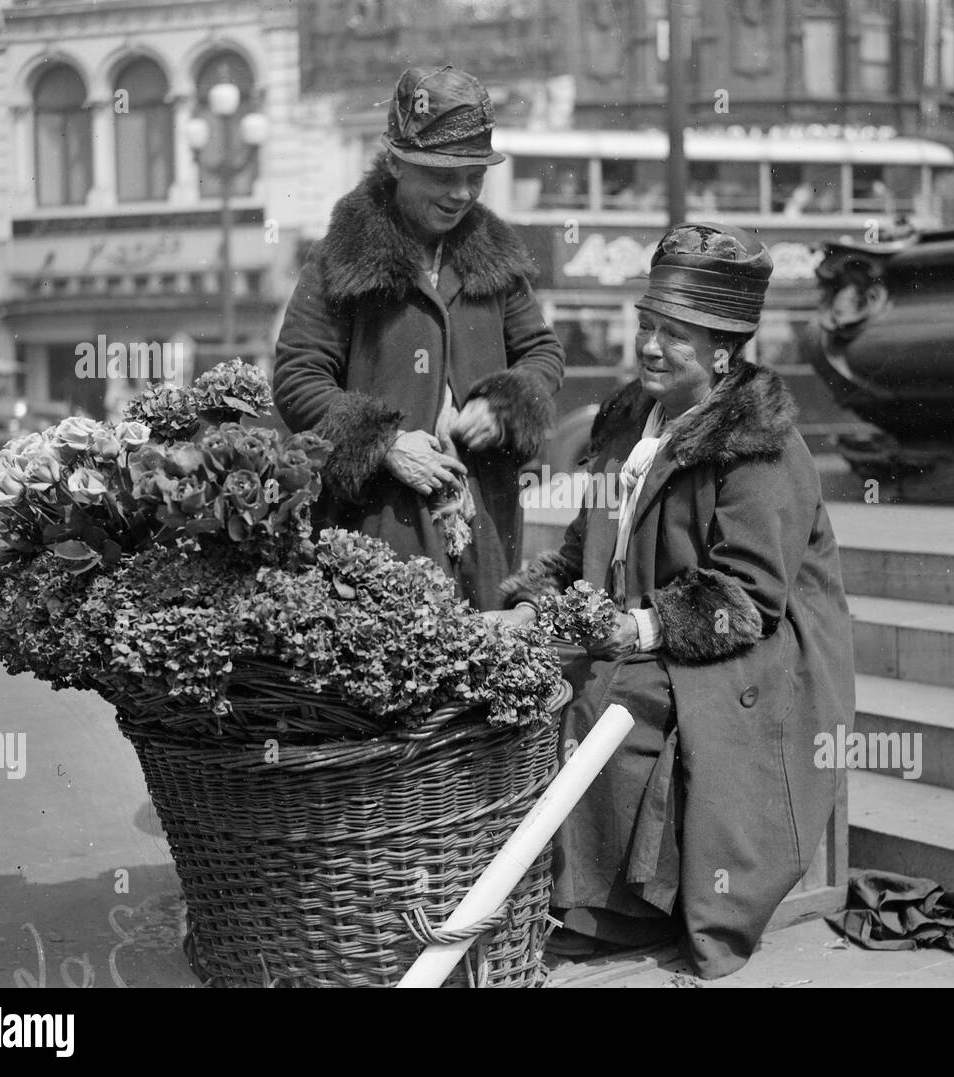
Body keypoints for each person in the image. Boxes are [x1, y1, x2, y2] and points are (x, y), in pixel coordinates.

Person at [490, 222, 855, 980]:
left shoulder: (763, 445)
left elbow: (749, 595)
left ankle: (617, 907)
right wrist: (536, 605)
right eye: (646, 327)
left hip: (753, 648)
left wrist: (639, 625)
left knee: (606, 693)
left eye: (674, 335)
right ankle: (555, 887)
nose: (651, 347)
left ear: (724, 350)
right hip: (649, 625)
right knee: (521, 676)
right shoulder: (627, 419)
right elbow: (581, 548)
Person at [273, 65, 564, 610]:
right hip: (376, 532)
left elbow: (541, 351)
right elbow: (297, 376)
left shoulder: (494, 251)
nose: (462, 194)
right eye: (442, 176)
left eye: (475, 175)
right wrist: (383, 443)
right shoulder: (341, 255)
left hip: (484, 533)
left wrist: (505, 406)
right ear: (396, 163)